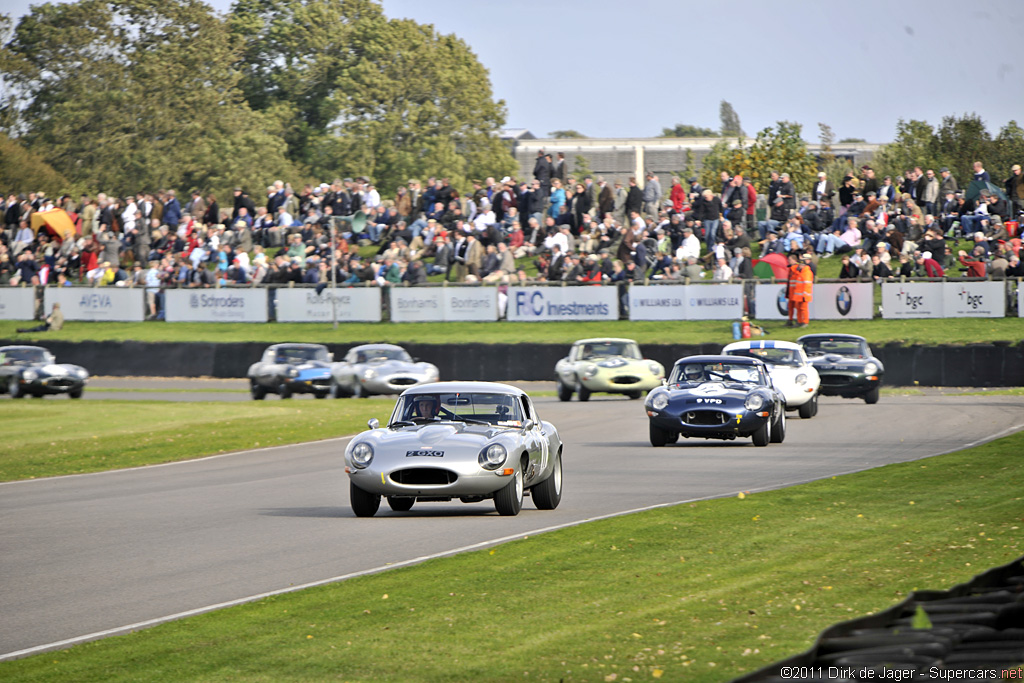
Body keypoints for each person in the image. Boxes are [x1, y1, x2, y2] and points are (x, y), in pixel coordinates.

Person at [786, 252, 813, 328]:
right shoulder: (801, 272)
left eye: (801, 265)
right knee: (799, 309)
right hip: (799, 295)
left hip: (803, 295)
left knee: (804, 309)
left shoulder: (806, 273)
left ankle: (805, 322)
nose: (800, 266)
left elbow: (807, 285)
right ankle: (799, 321)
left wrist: (805, 294)